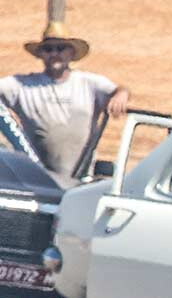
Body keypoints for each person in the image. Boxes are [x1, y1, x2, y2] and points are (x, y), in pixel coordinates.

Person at [0, 22, 130, 183]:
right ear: (40, 54)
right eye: (48, 49)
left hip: (81, 181)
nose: (55, 53)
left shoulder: (88, 83)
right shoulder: (23, 85)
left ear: (71, 52)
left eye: (60, 48)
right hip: (36, 180)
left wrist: (120, 95)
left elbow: (120, 90)